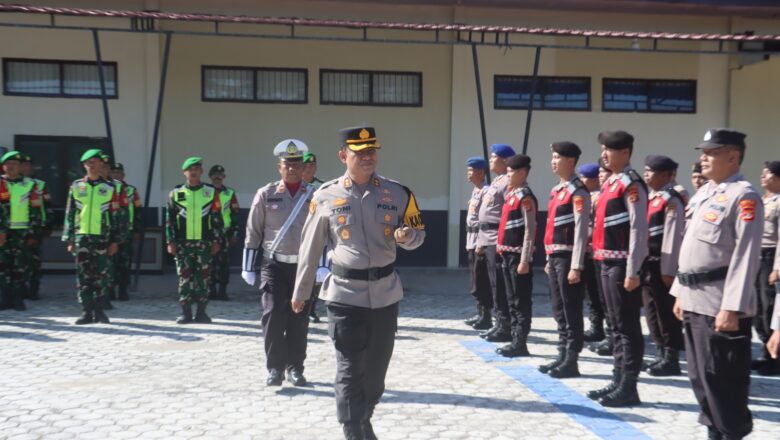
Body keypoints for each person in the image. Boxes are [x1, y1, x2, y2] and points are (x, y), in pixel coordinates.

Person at [291, 126, 425, 440]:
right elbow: (310, 248)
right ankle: (351, 429)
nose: (367, 157)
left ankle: (364, 417)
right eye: (359, 153)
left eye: (372, 151)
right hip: (344, 295)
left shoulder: (398, 193)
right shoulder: (325, 195)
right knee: (350, 367)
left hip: (385, 294)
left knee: (376, 373)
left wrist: (408, 237)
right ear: (343, 156)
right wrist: (301, 292)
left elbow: (418, 236)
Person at [671, 128, 762, 440]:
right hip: (695, 300)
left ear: (733, 156)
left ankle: (730, 434)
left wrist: (732, 307)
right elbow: (691, 248)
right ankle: (715, 433)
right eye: (704, 152)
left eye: (711, 152)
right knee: (701, 379)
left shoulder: (744, 196)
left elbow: (746, 255)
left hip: (719, 306)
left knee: (724, 383)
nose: (703, 158)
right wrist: (680, 292)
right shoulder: (706, 193)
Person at [242, 139, 314, 387]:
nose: (292, 168)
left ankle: (295, 368)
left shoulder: (315, 195)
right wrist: (248, 266)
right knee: (272, 314)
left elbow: (325, 232)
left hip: (304, 267)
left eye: (297, 164)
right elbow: (254, 230)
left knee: (299, 318)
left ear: (303, 167)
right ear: (279, 167)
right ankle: (274, 368)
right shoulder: (266, 194)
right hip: (273, 264)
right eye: (287, 164)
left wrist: (324, 264)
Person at [587, 130, 648, 407]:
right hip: (605, 262)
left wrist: (634, 270)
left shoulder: (631, 184)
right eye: (602, 149)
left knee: (627, 326)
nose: (604, 154)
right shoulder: (612, 182)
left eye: (609, 150)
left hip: (622, 264)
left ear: (625, 152)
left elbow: (638, 228)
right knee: (615, 325)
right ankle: (617, 378)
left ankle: (629, 386)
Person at [539, 143, 589, 377]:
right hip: (556, 256)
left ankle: (572, 359)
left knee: (571, 309)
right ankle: (561, 354)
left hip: (569, 258)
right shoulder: (557, 190)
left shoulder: (578, 191)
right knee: (558, 308)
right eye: (552, 157)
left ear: (571, 161)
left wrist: (577, 265)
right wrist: (548, 257)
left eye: (557, 157)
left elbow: (580, 230)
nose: (553, 161)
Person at [62, 149, 120, 325]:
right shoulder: (76, 186)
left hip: (103, 238)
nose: (93, 165)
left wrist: (115, 240)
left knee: (102, 276)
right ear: (84, 165)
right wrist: (70, 238)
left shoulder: (110, 188)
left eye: (96, 162)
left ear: (101, 164)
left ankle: (100, 311)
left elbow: (117, 216)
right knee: (84, 276)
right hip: (82, 237)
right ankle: (86, 312)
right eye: (90, 162)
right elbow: (70, 213)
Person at [640, 155, 685, 376]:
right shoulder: (651, 197)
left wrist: (668, 269)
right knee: (651, 311)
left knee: (665, 312)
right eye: (646, 170)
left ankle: (671, 357)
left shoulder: (671, 200)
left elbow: (672, 237)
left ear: (667, 175)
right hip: (648, 264)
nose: (647, 174)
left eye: (653, 171)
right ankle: (659, 351)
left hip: (661, 265)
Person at [165, 157, 223, 324]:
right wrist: (170, 241)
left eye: (197, 168)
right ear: (185, 172)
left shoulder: (211, 192)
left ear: (202, 172)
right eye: (190, 169)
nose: (194, 171)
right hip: (183, 244)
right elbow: (169, 220)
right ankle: (186, 313)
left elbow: (217, 219)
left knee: (203, 279)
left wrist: (217, 240)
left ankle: (202, 313)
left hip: (204, 243)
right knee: (185, 279)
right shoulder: (176, 194)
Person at [495, 154, 537, 357]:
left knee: (520, 301)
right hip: (507, 255)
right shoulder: (512, 195)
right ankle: (514, 338)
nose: (508, 175)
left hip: (518, 257)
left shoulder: (525, 197)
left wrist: (525, 260)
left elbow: (530, 230)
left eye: (511, 172)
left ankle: (520, 342)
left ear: (522, 173)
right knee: (511, 299)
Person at [476, 144, 516, 343]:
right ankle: (498, 323)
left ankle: (505, 325)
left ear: (506, 160)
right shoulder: (497, 181)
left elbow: (508, 213)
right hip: (487, 236)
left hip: (496, 238)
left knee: (499, 284)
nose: (490, 161)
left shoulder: (508, 182)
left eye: (494, 157)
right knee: (492, 283)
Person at [0, 151, 41, 311]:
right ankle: (4, 299)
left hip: (21, 233)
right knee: (2, 268)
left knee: (20, 267)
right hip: (1, 234)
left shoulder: (30, 185)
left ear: (20, 167)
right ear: (3, 167)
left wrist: (33, 233)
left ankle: (17, 299)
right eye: (8, 164)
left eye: (14, 164)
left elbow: (36, 210)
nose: (11, 167)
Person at [753, 161, 780, 376]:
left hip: (771, 257)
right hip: (757, 257)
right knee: (758, 309)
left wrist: (777, 268)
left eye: (767, 174)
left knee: (770, 306)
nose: (763, 177)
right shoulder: (763, 200)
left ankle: (776, 357)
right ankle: (765, 349)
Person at [463, 156, 493, 330]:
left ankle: (486, 316)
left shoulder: (485, 191)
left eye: (472, 170)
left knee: (482, 280)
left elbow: (484, 220)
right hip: (471, 240)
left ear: (481, 172)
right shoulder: (476, 191)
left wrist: (481, 243)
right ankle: (480, 313)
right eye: (468, 170)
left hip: (479, 242)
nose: (469, 173)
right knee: (475, 279)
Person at [577, 162, 606, 343]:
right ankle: (596, 326)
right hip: (588, 251)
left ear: (595, 180)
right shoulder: (587, 195)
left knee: (598, 293)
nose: (581, 180)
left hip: (595, 250)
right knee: (591, 293)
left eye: (584, 177)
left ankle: (601, 328)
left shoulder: (596, 197)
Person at [590, 159, 615, 356]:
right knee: (599, 297)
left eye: (603, 172)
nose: (600, 175)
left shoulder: (614, 192)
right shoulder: (599, 195)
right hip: (597, 252)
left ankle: (613, 337)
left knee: (611, 301)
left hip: (612, 254)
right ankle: (606, 333)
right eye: (598, 172)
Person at [20, 154, 52, 301]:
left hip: (36, 228)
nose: (26, 168)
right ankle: (19, 290)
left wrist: (48, 225)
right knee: (16, 262)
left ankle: (33, 289)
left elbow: (48, 206)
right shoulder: (8, 184)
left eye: (28, 165)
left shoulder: (40, 185)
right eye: (23, 165)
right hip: (16, 229)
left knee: (34, 261)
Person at [109, 163, 142, 301]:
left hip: (126, 233)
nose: (116, 174)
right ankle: (110, 291)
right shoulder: (106, 188)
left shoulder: (131, 191)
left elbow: (138, 211)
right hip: (110, 233)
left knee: (125, 263)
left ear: (123, 175)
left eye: (119, 172)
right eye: (114, 172)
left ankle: (123, 290)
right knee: (110, 263)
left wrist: (136, 229)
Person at [301, 151, 327, 323]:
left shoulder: (323, 187)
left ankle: (310, 309)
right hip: (296, 237)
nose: (310, 168)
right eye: (306, 165)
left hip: (315, 236)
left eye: (313, 165)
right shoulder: (295, 185)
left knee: (314, 276)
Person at [208, 165, 239, 301]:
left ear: (224, 177)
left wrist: (234, 234)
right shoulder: (206, 192)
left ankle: (222, 291)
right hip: (209, 233)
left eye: (220, 175)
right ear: (210, 177)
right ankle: (211, 291)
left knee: (224, 263)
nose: (217, 177)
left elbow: (235, 214)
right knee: (209, 262)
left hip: (225, 233)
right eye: (214, 175)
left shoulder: (229, 193)